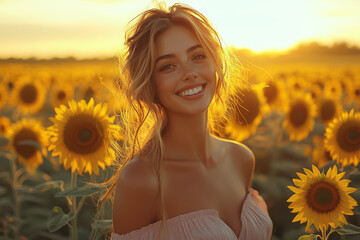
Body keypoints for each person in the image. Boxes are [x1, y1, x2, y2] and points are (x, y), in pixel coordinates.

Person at [105, 2, 273, 240]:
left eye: (198, 56)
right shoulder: (142, 180)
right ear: (150, 84)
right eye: (168, 66)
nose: (189, 72)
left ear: (215, 62)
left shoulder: (241, 159)